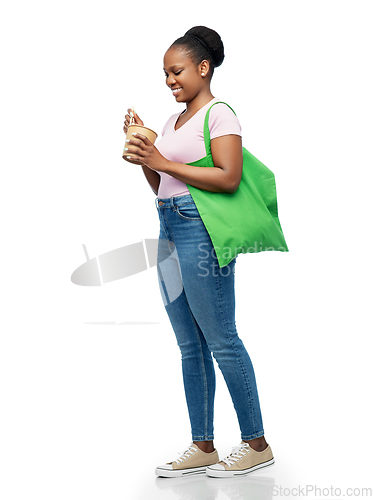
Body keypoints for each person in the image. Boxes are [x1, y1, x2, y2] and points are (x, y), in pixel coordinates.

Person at [123, 26, 275, 478]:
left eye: (177, 71)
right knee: (189, 345)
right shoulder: (171, 123)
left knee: (221, 339)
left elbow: (228, 177)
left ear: (203, 68)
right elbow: (164, 182)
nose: (170, 81)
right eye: (165, 75)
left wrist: (163, 161)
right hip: (169, 224)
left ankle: (257, 444)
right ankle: (203, 444)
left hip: (201, 231)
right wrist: (144, 155)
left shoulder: (219, 115)